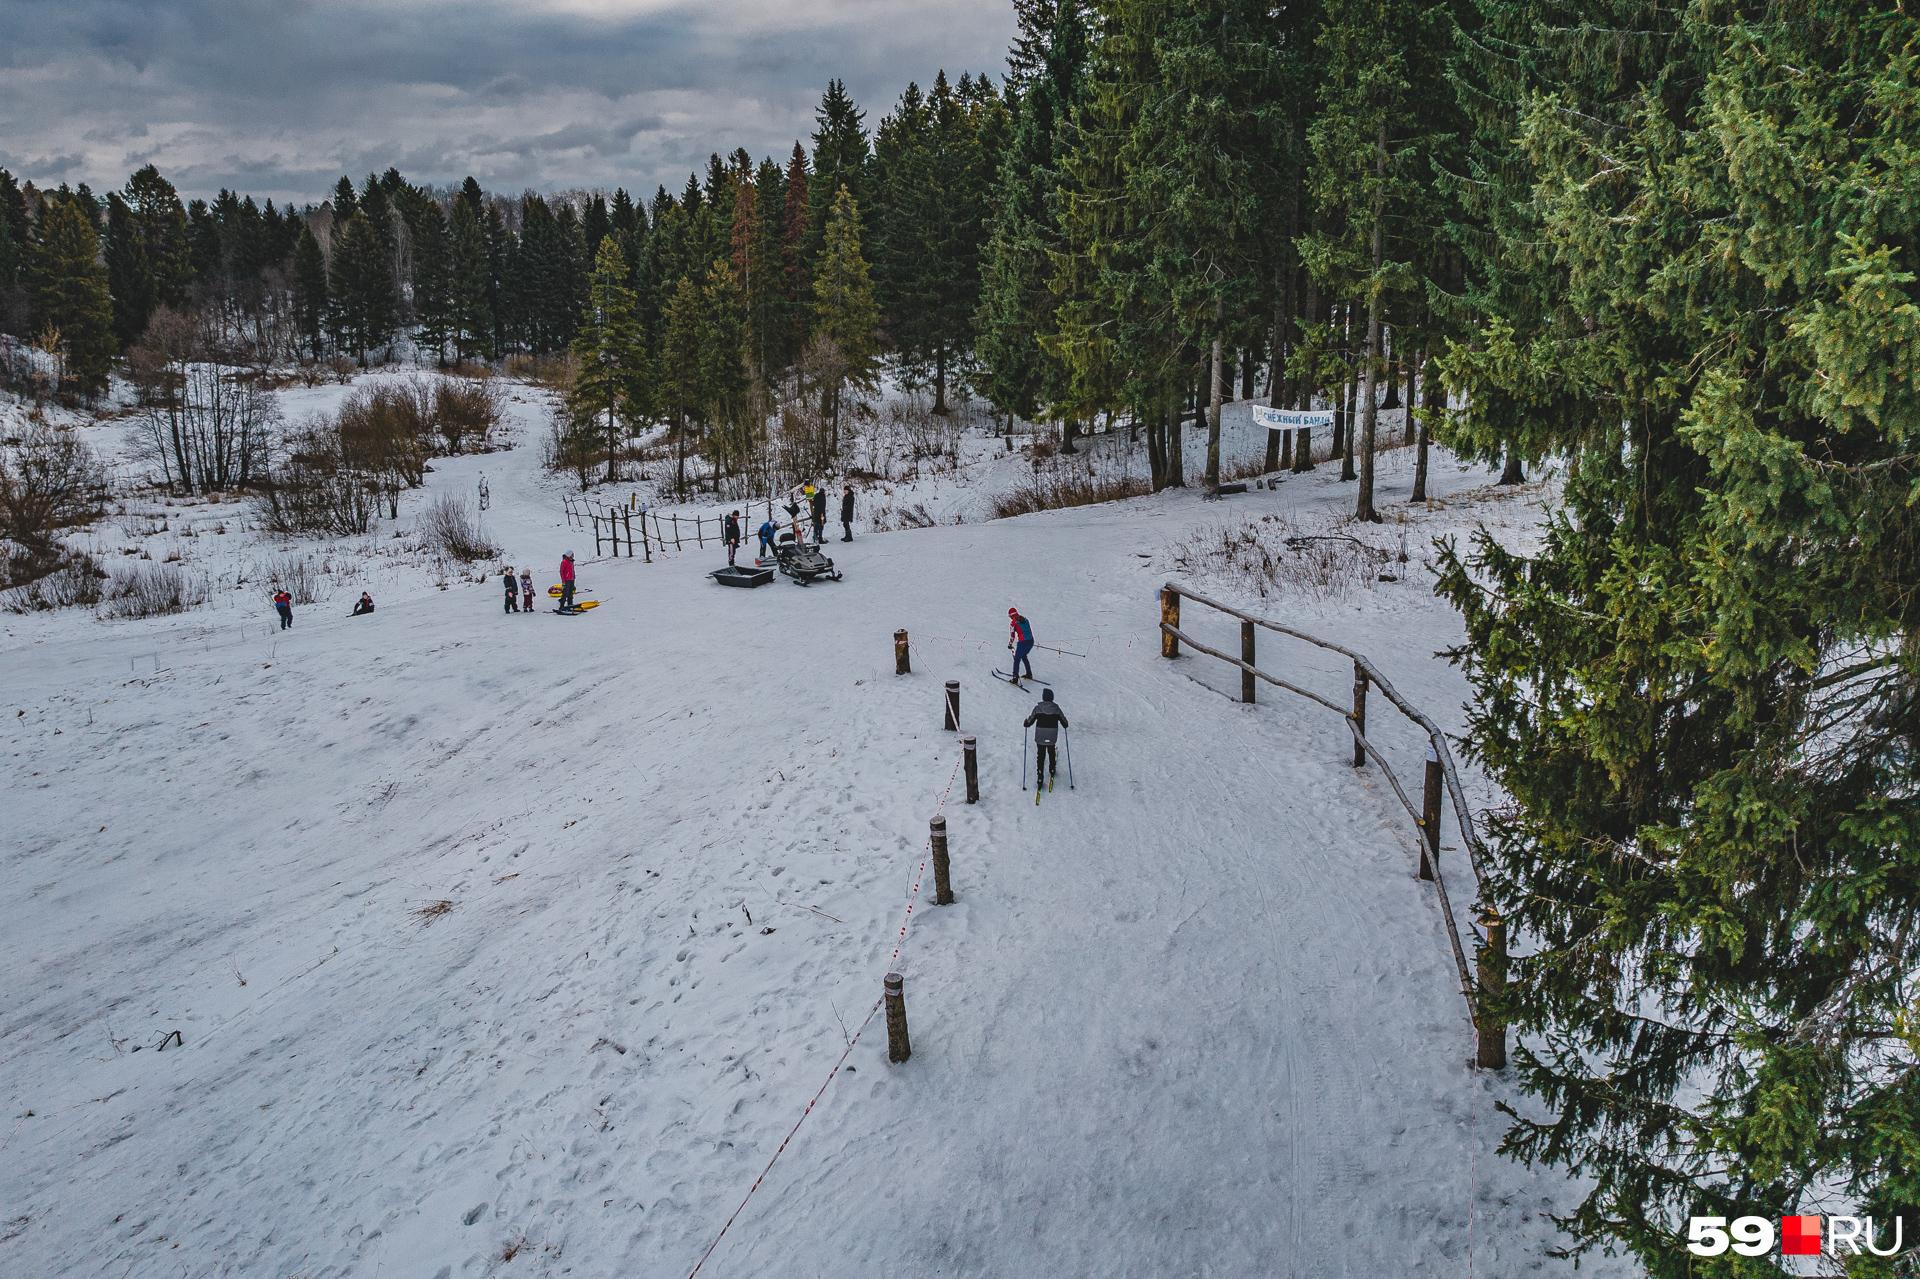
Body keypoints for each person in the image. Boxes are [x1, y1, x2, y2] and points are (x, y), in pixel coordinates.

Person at [1024, 689, 1069, 790]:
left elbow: (1030, 722)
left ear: (1043, 697)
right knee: (1051, 751)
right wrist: (1065, 724)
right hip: (1052, 736)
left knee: (1040, 755)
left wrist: (1026, 723)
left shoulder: (1038, 708)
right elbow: (1065, 723)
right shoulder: (1056, 708)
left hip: (1040, 736)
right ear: (1052, 697)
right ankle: (1052, 769)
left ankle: (1040, 776)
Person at [1008, 607, 1035, 684]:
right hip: (1031, 641)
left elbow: (1012, 636)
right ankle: (1029, 674)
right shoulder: (1025, 619)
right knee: (1023, 656)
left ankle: (1015, 678)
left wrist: (1010, 644)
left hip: (1023, 643)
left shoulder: (1013, 623)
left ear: (1011, 616)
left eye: (1010, 617)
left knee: (1017, 659)